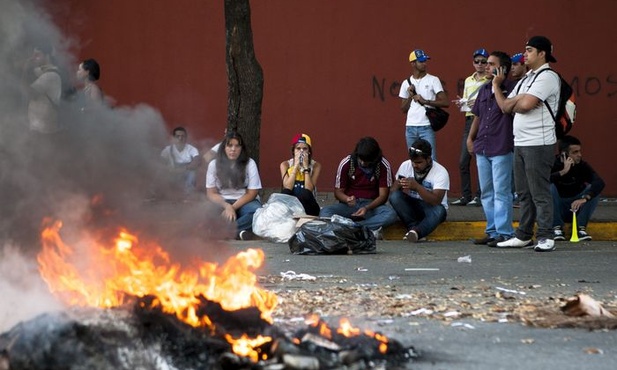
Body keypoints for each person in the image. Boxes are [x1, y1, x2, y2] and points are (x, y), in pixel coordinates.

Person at [493, 36, 560, 252]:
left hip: (539, 143)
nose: (525, 55)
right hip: (520, 142)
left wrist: (518, 101)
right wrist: (497, 86)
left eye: (529, 50)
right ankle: (523, 235)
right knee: (523, 192)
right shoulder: (526, 78)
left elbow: (526, 105)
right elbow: (505, 106)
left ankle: (546, 236)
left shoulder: (548, 77)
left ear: (542, 53)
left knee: (539, 192)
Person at [466, 51, 516, 247]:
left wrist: (497, 85)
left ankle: (504, 232)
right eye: (485, 63)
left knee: (501, 191)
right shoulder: (484, 89)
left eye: (490, 64)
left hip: (501, 146)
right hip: (483, 146)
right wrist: (470, 138)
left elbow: (506, 108)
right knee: (486, 191)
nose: (486, 67)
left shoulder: (512, 88)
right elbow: (477, 116)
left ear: (502, 68)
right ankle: (492, 230)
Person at [319, 137, 398, 237]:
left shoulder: (383, 165)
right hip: (350, 206)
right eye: (361, 160)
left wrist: (366, 208)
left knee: (390, 214)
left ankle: (353, 228)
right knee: (325, 212)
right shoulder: (347, 163)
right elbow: (338, 192)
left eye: (367, 161)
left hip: (371, 206)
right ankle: (362, 229)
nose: (363, 163)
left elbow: (383, 196)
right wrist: (347, 199)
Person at [389, 139, 449, 242]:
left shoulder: (440, 172)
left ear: (429, 159)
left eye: (419, 162)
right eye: (413, 162)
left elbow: (436, 201)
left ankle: (416, 232)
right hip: (413, 206)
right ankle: (413, 229)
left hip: (431, 208)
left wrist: (417, 187)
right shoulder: (406, 165)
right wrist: (399, 184)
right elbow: (393, 191)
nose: (415, 165)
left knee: (440, 211)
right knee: (395, 197)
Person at [452, 48, 490, 206]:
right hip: (469, 119)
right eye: (477, 61)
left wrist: (479, 103)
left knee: (480, 159)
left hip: (483, 120)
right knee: (463, 160)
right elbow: (468, 100)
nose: (480, 64)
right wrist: (462, 102)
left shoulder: (490, 79)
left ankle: (480, 196)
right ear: (473, 63)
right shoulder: (468, 80)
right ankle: (465, 195)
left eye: (483, 61)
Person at [206, 131, 262, 240]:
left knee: (257, 213)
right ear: (224, 148)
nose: (233, 149)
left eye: (237, 146)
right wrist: (226, 206)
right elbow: (211, 193)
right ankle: (238, 232)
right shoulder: (213, 164)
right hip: (222, 201)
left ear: (241, 148)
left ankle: (224, 231)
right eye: (230, 145)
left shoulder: (250, 163)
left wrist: (232, 207)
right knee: (205, 212)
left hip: (245, 201)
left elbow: (252, 192)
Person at [550, 135, 605, 241]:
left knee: (593, 190)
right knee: (549, 187)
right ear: (564, 154)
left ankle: (580, 229)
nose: (579, 155)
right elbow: (542, 181)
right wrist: (563, 172)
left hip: (576, 208)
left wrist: (585, 198)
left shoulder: (582, 166)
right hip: (558, 208)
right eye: (575, 152)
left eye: (579, 151)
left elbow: (599, 182)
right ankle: (556, 228)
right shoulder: (553, 164)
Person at [399, 49, 449, 160]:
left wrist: (425, 101)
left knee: (431, 159)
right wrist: (409, 95)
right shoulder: (406, 83)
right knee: (413, 159)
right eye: (421, 61)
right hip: (410, 126)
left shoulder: (433, 80)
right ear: (413, 63)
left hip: (426, 126)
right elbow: (403, 109)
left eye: (425, 61)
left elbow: (445, 102)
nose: (424, 64)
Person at [23, 44, 62, 134]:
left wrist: (25, 70)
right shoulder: (42, 71)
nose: (33, 58)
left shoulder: (50, 75)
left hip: (44, 129)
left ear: (47, 56)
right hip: (38, 126)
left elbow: (29, 93)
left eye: (37, 55)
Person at [280, 133, 321, 216]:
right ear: (293, 151)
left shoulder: (316, 166)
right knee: (285, 192)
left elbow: (309, 189)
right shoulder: (285, 164)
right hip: (291, 205)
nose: (301, 151)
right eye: (298, 148)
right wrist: (295, 167)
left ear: (309, 151)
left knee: (305, 193)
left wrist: (306, 168)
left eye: (305, 149)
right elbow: (287, 187)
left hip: (308, 205)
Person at [160, 126, 201, 196]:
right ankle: (158, 193)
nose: (180, 138)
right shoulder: (167, 150)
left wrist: (182, 169)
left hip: (186, 172)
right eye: (177, 136)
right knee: (158, 172)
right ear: (173, 138)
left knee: (192, 173)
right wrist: (167, 169)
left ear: (186, 138)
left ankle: (189, 195)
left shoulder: (191, 149)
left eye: (183, 136)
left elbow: (196, 162)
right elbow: (159, 163)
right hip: (171, 173)